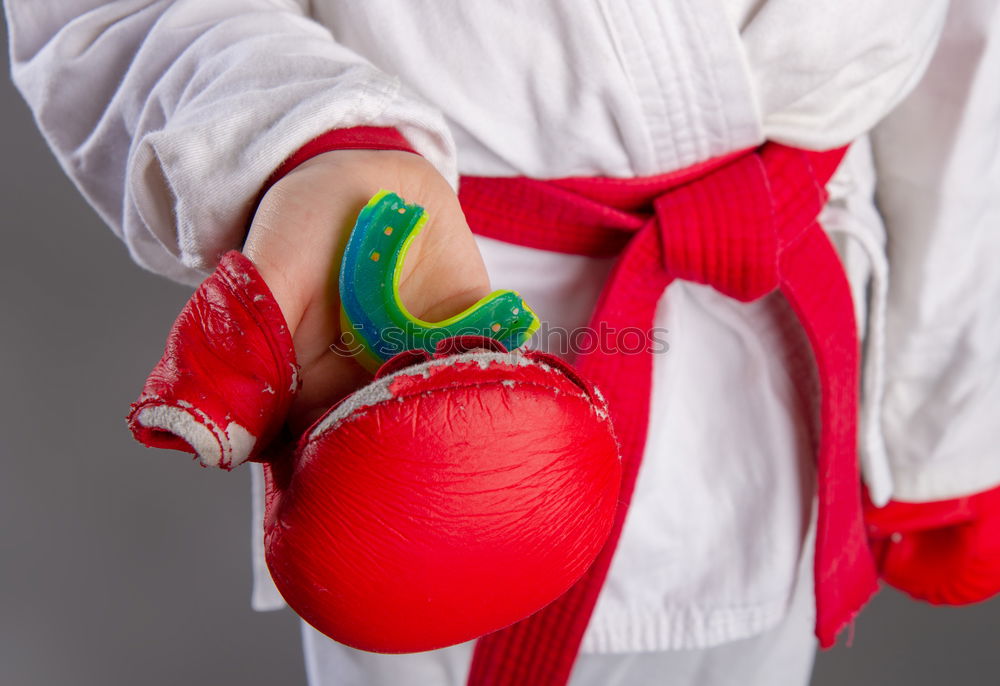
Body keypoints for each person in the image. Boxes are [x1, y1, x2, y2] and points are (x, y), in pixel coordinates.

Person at [7, 2, 1000, 685]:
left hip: (783, 378)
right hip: (426, 390)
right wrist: (303, 138)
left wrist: (950, 408)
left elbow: (965, 44)